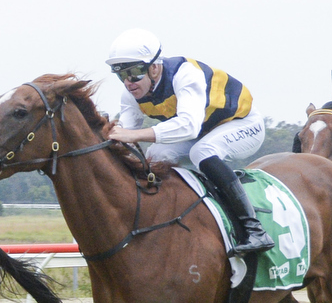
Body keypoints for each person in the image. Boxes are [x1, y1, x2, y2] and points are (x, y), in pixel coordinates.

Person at [105, 28, 274, 255]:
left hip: (242, 123)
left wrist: (133, 135)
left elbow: (188, 125)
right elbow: (125, 132)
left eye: (134, 72)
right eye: (121, 75)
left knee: (202, 152)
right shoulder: (130, 95)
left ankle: (255, 230)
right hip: (203, 131)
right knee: (155, 156)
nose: (128, 82)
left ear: (154, 67)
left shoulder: (185, 74)